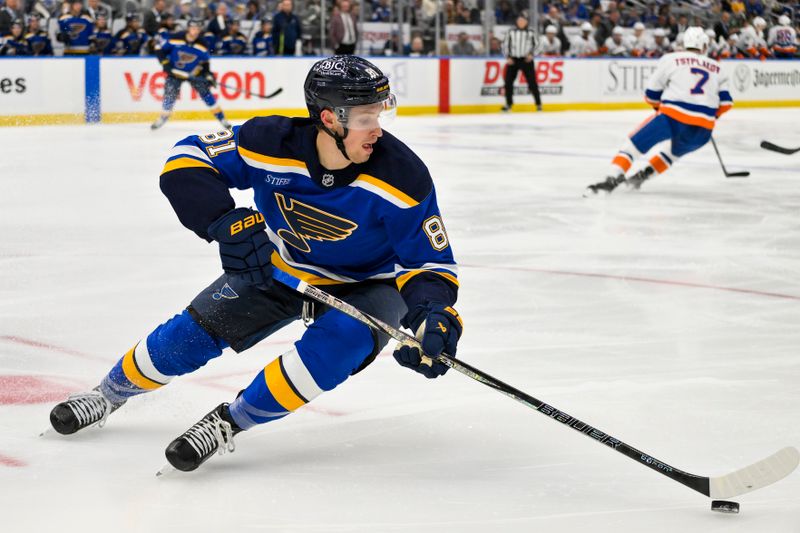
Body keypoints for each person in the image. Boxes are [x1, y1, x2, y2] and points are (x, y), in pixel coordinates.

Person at [47, 55, 462, 474]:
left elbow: (429, 262)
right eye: (364, 117)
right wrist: (224, 223)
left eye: (380, 112)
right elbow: (186, 159)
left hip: (371, 283)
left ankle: (230, 421)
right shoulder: (270, 141)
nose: (377, 129)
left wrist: (432, 317)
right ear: (328, 118)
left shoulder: (403, 175)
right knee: (186, 338)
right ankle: (108, 395)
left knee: (337, 348)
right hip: (282, 265)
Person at [585, 27, 733, 195]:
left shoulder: (671, 59)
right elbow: (726, 103)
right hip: (703, 128)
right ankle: (642, 177)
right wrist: (712, 115)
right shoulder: (718, 68)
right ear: (705, 46)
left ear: (685, 44)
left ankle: (611, 178)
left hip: (672, 117)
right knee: (672, 154)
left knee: (633, 146)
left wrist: (658, 108)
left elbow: (651, 94)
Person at [150, 19, 231, 131]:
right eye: (193, 28)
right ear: (188, 28)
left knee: (206, 94)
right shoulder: (176, 37)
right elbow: (158, 48)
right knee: (169, 95)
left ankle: (222, 119)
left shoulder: (203, 44)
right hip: (175, 73)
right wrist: (165, 64)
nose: (195, 31)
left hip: (193, 73)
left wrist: (207, 73)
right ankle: (163, 118)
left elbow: (205, 62)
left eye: (198, 29)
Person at [501, 15, 542, 112]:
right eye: (519, 21)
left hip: (526, 60)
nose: (521, 23)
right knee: (508, 83)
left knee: (532, 83)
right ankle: (508, 104)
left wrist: (532, 54)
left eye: (523, 21)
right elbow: (505, 45)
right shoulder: (511, 32)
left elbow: (539, 45)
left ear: (526, 22)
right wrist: (508, 57)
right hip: (513, 60)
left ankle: (538, 104)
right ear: (516, 22)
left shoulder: (531, 32)